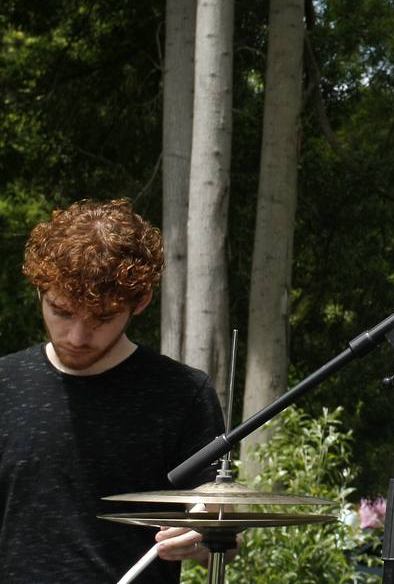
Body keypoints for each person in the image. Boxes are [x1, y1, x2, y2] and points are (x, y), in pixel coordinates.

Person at [0, 199, 227, 584]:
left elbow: (221, 539)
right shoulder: (5, 384)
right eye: (62, 311)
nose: (77, 336)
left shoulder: (182, 395)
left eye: (102, 318)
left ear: (141, 303)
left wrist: (204, 536)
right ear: (40, 290)